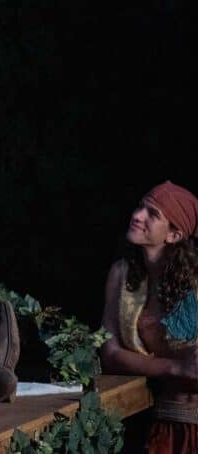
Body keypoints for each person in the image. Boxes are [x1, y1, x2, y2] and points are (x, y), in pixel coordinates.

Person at [100, 180, 198, 453]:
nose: (137, 215)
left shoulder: (194, 284)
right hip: (161, 424)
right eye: (140, 206)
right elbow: (109, 352)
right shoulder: (122, 275)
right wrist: (175, 367)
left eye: (152, 214)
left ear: (174, 235)